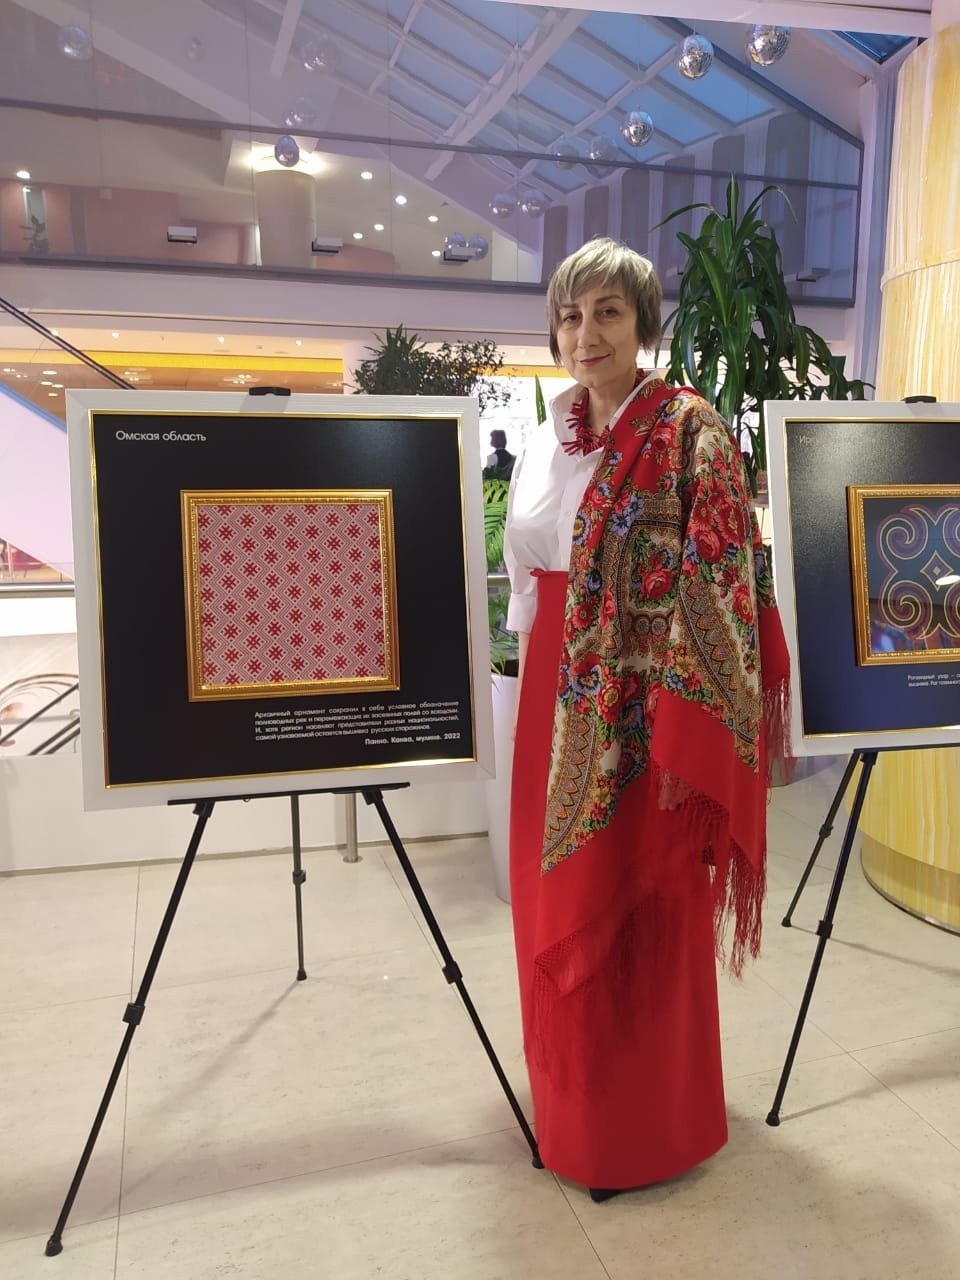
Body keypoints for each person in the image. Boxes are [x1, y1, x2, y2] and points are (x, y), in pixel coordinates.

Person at [503, 237, 789, 1200]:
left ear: (643, 324)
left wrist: (679, 705)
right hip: (553, 700)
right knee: (552, 902)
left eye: (608, 313)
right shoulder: (549, 434)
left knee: (641, 912)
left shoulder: (690, 429)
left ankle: (645, 1133)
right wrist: (533, 681)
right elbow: (530, 576)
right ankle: (572, 1117)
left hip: (646, 710)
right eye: (570, 315)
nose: (586, 334)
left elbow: (723, 572)